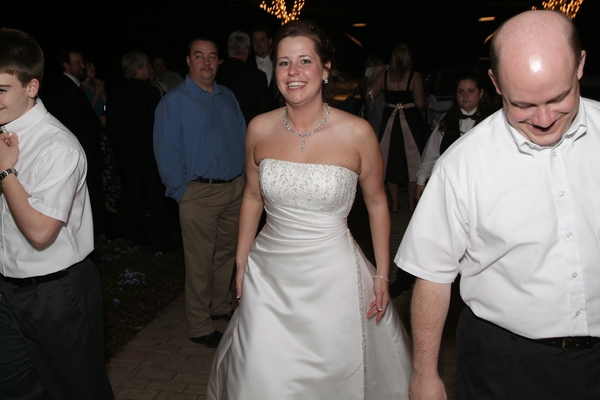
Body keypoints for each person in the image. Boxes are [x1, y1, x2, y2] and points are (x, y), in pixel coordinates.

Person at [395, 10, 600, 400]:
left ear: (580, 65)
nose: (544, 119)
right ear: (496, 83)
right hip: (505, 364)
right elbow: (433, 275)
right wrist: (425, 374)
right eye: (523, 104)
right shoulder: (462, 164)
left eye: (558, 98)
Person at [207, 20, 412, 399]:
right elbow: (252, 197)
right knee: (262, 371)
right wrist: (241, 262)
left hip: (333, 278)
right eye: (284, 63)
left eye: (305, 61)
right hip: (269, 275)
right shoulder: (259, 129)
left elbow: (377, 201)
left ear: (325, 68)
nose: (293, 72)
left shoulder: (357, 133)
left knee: (332, 372)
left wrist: (383, 273)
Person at [0, 28, 114, 399]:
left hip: (58, 294)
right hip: (10, 292)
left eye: (1, 89)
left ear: (31, 87)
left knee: (80, 392)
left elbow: (40, 232)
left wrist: (6, 172)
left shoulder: (57, 146)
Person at [153, 38, 246, 348]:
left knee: (226, 256)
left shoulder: (227, 95)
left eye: (212, 56)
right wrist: (182, 192)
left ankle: (220, 305)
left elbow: (243, 137)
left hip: (234, 189)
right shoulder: (174, 102)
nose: (206, 62)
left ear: (219, 61)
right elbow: (166, 152)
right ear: (188, 61)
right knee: (199, 262)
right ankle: (199, 324)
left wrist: (244, 179)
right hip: (199, 194)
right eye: (199, 56)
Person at [107, 51, 175, 250]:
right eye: (146, 65)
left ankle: (136, 239)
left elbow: (112, 127)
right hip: (149, 155)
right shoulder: (150, 93)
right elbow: (158, 126)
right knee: (157, 199)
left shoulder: (116, 94)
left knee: (133, 199)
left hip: (127, 157)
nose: (149, 68)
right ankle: (164, 240)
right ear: (137, 69)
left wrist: (120, 148)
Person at [43, 48, 109, 237]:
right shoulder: (66, 88)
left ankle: (99, 232)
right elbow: (73, 122)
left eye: (82, 62)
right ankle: (97, 234)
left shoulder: (73, 86)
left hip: (86, 150)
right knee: (89, 193)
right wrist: (97, 122)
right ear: (66, 65)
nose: (82, 66)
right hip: (82, 151)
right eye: (78, 62)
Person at [369, 43, 430, 213]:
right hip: (410, 121)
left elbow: (369, 94)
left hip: (390, 121)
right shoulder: (414, 76)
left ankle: (394, 203)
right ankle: (411, 205)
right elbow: (419, 103)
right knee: (413, 161)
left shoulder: (384, 75)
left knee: (389, 161)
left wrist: (373, 77)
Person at [415, 71, 491, 201]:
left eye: (471, 91)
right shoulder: (447, 118)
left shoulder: (491, 121)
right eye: (460, 92)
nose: (465, 96)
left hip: (481, 185)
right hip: (451, 184)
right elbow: (432, 151)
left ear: (481, 93)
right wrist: (421, 180)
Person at [216, 30, 271, 124]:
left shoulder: (216, 73)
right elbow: (265, 111)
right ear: (246, 51)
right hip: (249, 129)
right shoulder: (256, 76)